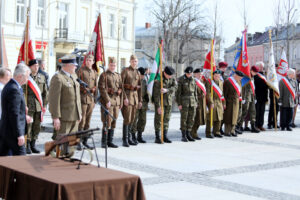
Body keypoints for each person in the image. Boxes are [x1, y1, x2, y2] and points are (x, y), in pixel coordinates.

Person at [48, 54, 82, 155]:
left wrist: (79, 113)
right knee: (62, 144)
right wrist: (55, 117)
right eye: (74, 65)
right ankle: (59, 163)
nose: (76, 67)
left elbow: (77, 98)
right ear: (66, 65)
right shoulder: (58, 78)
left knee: (72, 144)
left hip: (74, 116)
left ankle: (69, 161)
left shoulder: (74, 77)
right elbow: (54, 100)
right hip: (64, 117)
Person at [0, 63, 30, 156]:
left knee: (4, 159)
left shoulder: (10, 85)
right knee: (22, 160)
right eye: (27, 76)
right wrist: (19, 134)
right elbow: (14, 114)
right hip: (12, 133)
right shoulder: (14, 89)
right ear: (20, 76)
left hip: (6, 130)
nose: (27, 79)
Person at [22, 59, 48, 154]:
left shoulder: (42, 77)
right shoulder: (26, 78)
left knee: (37, 126)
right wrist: (24, 105)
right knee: (28, 126)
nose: (36, 67)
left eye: (37, 65)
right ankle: (27, 144)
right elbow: (23, 93)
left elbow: (45, 93)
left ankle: (33, 144)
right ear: (30, 67)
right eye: (34, 66)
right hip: (29, 105)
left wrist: (44, 105)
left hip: (39, 106)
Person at [98, 57, 122, 148]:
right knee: (107, 121)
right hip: (107, 101)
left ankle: (110, 141)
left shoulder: (117, 75)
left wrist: (121, 102)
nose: (113, 67)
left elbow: (121, 88)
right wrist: (107, 100)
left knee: (114, 121)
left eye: (114, 65)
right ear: (108, 65)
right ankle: (104, 142)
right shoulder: (104, 75)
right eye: (111, 65)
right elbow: (102, 89)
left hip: (116, 101)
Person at [76, 54, 98, 150]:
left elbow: (96, 86)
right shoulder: (80, 71)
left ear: (93, 62)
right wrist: (83, 89)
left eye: (90, 60)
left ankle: (85, 141)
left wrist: (95, 96)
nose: (89, 61)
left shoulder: (94, 72)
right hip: (83, 99)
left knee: (88, 122)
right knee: (82, 121)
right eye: (87, 60)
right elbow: (76, 83)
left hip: (91, 100)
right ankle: (78, 142)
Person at [121, 55, 142, 147]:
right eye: (133, 61)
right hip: (128, 98)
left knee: (132, 119)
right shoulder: (125, 71)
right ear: (130, 62)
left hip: (135, 98)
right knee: (127, 119)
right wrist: (124, 98)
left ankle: (129, 138)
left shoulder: (137, 72)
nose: (134, 63)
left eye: (136, 61)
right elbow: (120, 85)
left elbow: (140, 87)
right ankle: (125, 139)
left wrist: (140, 100)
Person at [152, 66, 177, 143]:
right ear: (165, 73)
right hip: (160, 102)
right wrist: (158, 106)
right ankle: (157, 137)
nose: (170, 77)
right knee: (158, 120)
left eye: (171, 75)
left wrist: (167, 90)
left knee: (167, 119)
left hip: (168, 102)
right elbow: (155, 95)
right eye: (169, 75)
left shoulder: (171, 78)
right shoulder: (159, 79)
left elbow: (175, 87)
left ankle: (165, 136)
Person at [176, 66, 198, 142]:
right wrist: (179, 103)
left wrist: (196, 102)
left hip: (192, 101)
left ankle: (189, 133)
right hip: (184, 102)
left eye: (190, 73)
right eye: (188, 73)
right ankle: (183, 135)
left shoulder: (193, 80)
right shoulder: (181, 79)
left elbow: (195, 92)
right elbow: (178, 93)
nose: (189, 75)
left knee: (191, 118)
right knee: (184, 119)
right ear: (185, 73)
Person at [237, 66, 260, 133]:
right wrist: (243, 97)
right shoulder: (246, 77)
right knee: (244, 111)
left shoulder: (252, 77)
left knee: (253, 111)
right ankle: (239, 125)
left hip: (252, 96)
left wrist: (254, 97)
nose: (255, 73)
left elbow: (253, 88)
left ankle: (253, 126)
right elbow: (243, 88)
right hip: (246, 97)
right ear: (251, 70)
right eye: (254, 72)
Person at [130, 67, 149, 144]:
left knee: (143, 120)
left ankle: (140, 135)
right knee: (134, 120)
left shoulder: (145, 81)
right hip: (136, 102)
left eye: (144, 75)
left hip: (144, 102)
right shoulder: (134, 81)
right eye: (142, 75)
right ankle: (133, 136)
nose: (143, 76)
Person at [223, 71, 244, 137]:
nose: (240, 79)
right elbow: (224, 94)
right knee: (228, 117)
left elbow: (240, 93)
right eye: (240, 77)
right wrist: (224, 103)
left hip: (236, 101)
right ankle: (227, 131)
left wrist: (240, 101)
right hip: (229, 102)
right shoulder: (228, 81)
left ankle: (232, 130)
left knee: (235, 117)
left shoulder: (239, 82)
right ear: (236, 76)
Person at [204, 70, 225, 138]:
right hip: (212, 102)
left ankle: (216, 132)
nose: (217, 77)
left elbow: (222, 94)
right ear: (213, 75)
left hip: (219, 102)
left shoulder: (221, 82)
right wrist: (211, 102)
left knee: (219, 118)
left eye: (218, 76)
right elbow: (208, 93)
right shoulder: (209, 82)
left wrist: (223, 103)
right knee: (210, 118)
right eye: (216, 76)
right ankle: (208, 132)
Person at [191, 68, 206, 140]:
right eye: (198, 74)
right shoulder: (193, 82)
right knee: (196, 118)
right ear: (195, 74)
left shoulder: (201, 82)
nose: (200, 75)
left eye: (201, 74)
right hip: (196, 102)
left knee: (200, 119)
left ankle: (195, 132)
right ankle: (193, 133)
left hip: (202, 103)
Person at [254, 61, 269, 131]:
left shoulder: (264, 75)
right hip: (257, 96)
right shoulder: (255, 75)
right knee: (257, 112)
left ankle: (261, 124)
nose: (262, 68)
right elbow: (258, 85)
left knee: (262, 112)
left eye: (262, 67)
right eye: (260, 67)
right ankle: (256, 125)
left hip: (263, 96)